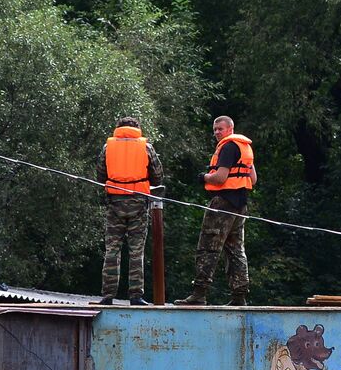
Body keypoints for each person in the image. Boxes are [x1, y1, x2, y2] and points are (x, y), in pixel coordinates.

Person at [174, 116, 258, 306]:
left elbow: (220, 178)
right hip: (241, 205)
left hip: (223, 204)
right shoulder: (245, 147)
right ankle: (239, 296)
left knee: (208, 247)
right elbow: (253, 179)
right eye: (215, 130)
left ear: (230, 128)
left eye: (220, 129)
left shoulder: (228, 147)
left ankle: (199, 294)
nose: (217, 133)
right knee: (236, 250)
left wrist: (203, 177)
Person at [97, 116, 163, 306]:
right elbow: (157, 176)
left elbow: (100, 174)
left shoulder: (107, 147)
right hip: (138, 204)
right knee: (136, 252)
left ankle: (108, 296)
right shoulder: (146, 147)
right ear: (138, 128)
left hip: (114, 204)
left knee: (112, 250)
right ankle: (136, 296)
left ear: (118, 128)